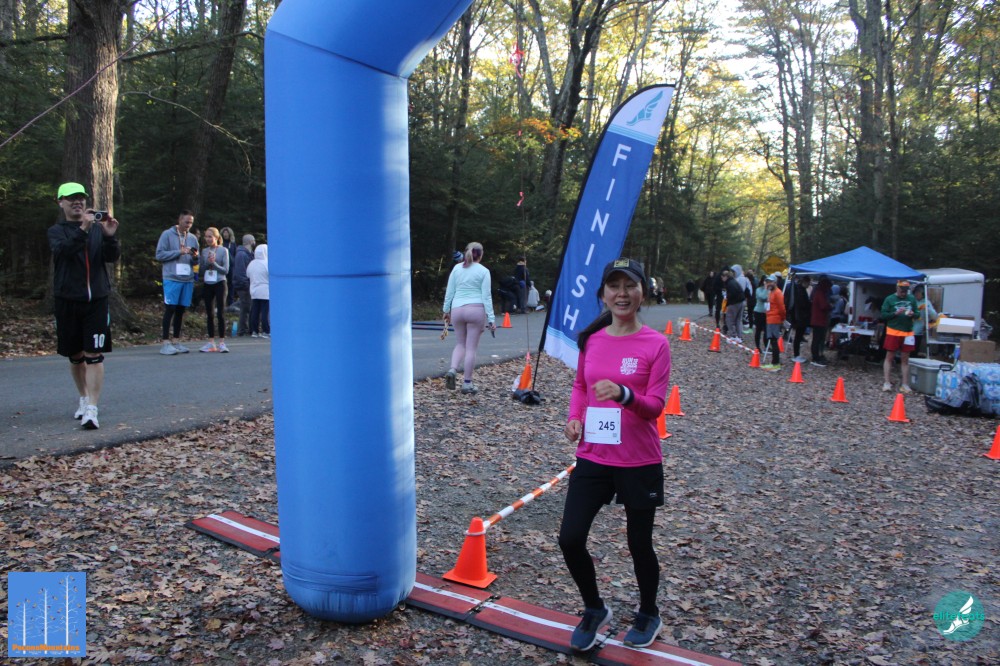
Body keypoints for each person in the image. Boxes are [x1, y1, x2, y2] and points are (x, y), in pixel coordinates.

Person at [559, 258, 671, 651]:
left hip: (639, 459)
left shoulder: (655, 344)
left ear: (643, 292)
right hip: (594, 455)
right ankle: (594, 608)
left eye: (629, 286)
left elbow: (655, 406)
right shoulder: (592, 339)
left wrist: (623, 394)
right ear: (603, 294)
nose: (622, 294)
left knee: (639, 543)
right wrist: (575, 417)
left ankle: (648, 613)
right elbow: (580, 386)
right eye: (614, 286)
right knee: (570, 538)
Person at [47, 182, 121, 430]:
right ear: (61, 202)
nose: (77, 202)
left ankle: (92, 408)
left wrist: (110, 237)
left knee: (94, 355)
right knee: (75, 356)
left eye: (81, 197)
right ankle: (83, 396)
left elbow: (111, 257)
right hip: (67, 301)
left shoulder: (97, 230)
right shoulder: (56, 231)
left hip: (96, 301)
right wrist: (83, 229)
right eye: (71, 198)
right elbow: (63, 252)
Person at [443, 242, 496, 394]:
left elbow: (450, 291)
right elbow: (486, 296)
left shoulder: (457, 268)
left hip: (457, 309)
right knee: (471, 348)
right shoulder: (484, 271)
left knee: (460, 344)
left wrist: (446, 310)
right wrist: (491, 318)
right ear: (481, 254)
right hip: (476, 310)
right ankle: (467, 383)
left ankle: (452, 369)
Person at [156, 210, 199, 355]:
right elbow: (159, 255)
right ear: (180, 220)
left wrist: (195, 257)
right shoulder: (167, 235)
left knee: (181, 310)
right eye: (186, 222)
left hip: (187, 278)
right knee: (170, 308)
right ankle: (165, 343)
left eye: (191, 223)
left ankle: (176, 341)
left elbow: (196, 261)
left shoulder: (192, 238)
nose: (189, 225)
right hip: (172, 278)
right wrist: (179, 252)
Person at [881, 280, 919, 392]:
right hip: (893, 331)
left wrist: (913, 314)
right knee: (889, 356)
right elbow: (883, 315)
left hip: (908, 332)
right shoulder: (889, 299)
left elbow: (917, 313)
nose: (904, 293)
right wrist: (895, 313)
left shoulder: (911, 298)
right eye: (902, 291)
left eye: (906, 291)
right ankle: (887, 382)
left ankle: (905, 384)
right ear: (897, 288)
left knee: (905, 358)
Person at [198, 227, 231, 352]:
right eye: (206, 236)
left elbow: (226, 270)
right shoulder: (204, 251)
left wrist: (214, 263)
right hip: (208, 282)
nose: (207, 239)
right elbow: (201, 270)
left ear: (216, 238)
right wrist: (207, 263)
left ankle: (222, 342)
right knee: (209, 313)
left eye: (210, 237)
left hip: (220, 282)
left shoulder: (223, 250)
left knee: (220, 312)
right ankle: (211, 342)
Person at [761, 273, 786, 370]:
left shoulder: (778, 293)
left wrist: (782, 319)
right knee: (772, 340)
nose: (769, 283)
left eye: (771, 282)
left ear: (775, 282)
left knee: (774, 341)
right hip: (770, 318)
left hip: (774, 319)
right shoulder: (771, 292)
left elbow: (782, 308)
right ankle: (775, 362)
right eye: (768, 282)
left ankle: (775, 363)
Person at [231, 234, 255, 336]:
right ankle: (242, 330)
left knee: (248, 307)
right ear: (250, 241)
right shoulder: (242, 254)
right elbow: (240, 272)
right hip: (243, 285)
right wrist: (246, 285)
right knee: (245, 308)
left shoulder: (249, 254)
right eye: (253, 240)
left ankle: (247, 329)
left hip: (247, 284)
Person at [786, 275, 811, 363]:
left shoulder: (797, 289)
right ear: (805, 282)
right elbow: (803, 304)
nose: (809, 285)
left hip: (798, 317)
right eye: (808, 283)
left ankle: (796, 354)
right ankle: (796, 354)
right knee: (798, 336)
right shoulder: (801, 291)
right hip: (800, 317)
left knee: (798, 336)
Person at [247, 243, 270, 338]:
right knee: (265, 312)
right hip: (265, 291)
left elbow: (248, 275)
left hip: (254, 290)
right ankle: (266, 330)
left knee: (255, 311)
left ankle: (254, 330)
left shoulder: (251, 263)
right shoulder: (267, 263)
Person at [809, 276, 832, 367]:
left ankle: (817, 356)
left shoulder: (818, 292)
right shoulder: (820, 293)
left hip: (818, 320)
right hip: (819, 320)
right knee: (817, 339)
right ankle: (815, 358)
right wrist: (829, 306)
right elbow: (823, 306)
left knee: (817, 339)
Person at [912, 284, 937, 358]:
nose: (917, 294)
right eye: (915, 292)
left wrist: (927, 308)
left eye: (919, 292)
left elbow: (935, 316)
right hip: (908, 329)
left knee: (914, 350)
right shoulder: (912, 300)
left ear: (923, 293)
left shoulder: (926, 302)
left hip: (918, 331)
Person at [722, 270, 746, 342]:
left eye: (722, 277)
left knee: (730, 319)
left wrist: (727, 297)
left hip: (734, 303)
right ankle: (739, 336)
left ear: (726, 277)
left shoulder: (730, 283)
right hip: (741, 301)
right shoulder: (734, 281)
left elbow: (732, 293)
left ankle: (733, 335)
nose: (722, 279)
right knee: (738, 320)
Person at [220, 226, 238, 307]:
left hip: (231, 267)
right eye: (224, 232)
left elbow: (235, 254)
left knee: (231, 284)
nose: (225, 234)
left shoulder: (233, 244)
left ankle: (230, 303)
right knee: (222, 284)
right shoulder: (220, 244)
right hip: (222, 266)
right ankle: (222, 302)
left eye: (227, 232)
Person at [752, 276, 769, 353]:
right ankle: (757, 346)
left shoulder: (770, 290)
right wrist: (765, 288)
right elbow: (762, 297)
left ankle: (766, 345)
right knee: (758, 330)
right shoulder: (758, 289)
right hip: (758, 312)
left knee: (766, 330)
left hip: (767, 312)